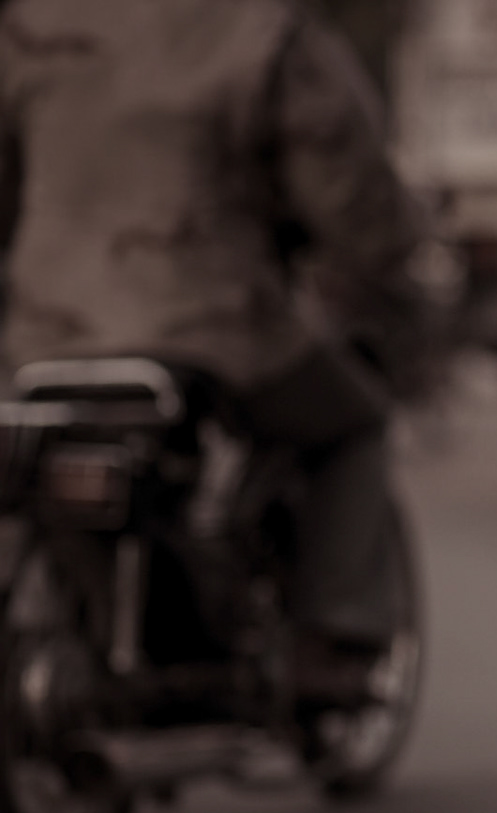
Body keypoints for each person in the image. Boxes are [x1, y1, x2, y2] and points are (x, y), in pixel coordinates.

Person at [0, 0, 428, 705]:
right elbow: (350, 196)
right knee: (354, 425)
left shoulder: (32, 22)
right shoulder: (258, 31)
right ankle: (329, 640)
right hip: (206, 321)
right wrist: (394, 263)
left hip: (47, 330)